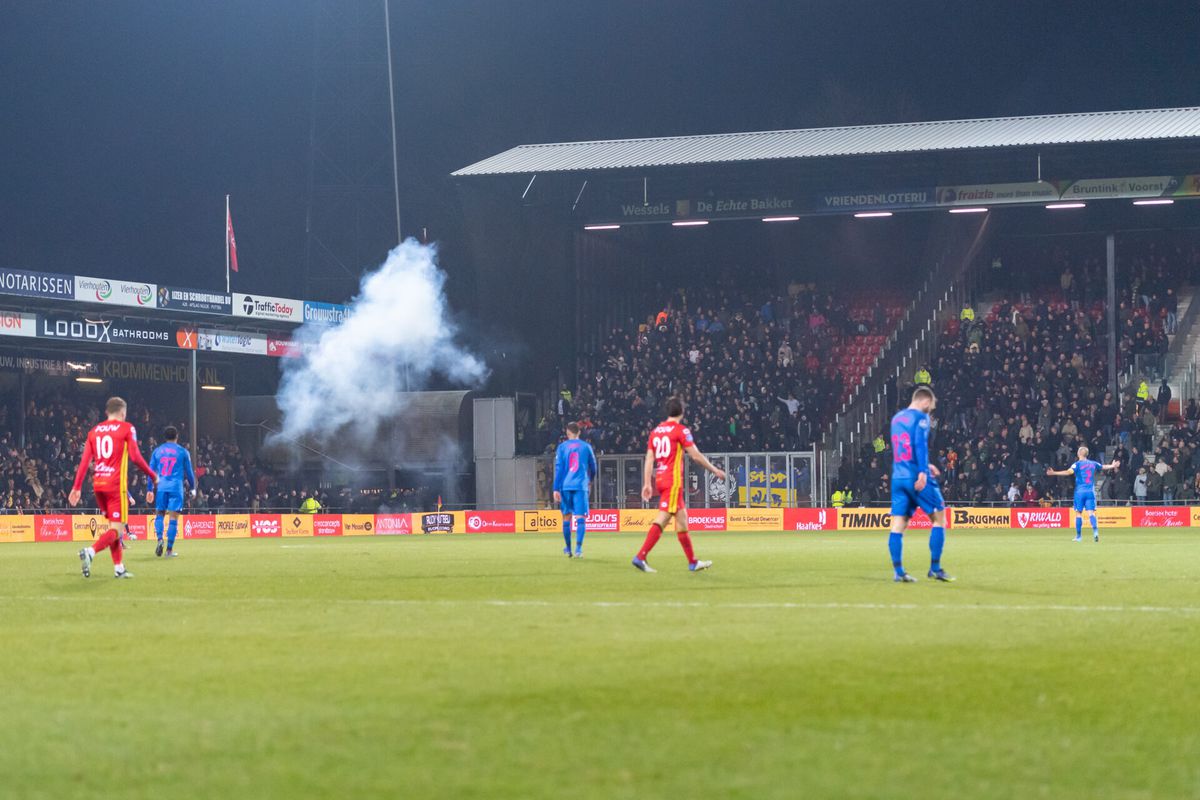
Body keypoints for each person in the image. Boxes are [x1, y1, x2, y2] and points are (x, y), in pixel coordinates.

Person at [632, 396, 726, 573]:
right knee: (664, 518)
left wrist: (647, 483)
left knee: (682, 522)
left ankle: (693, 562)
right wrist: (715, 470)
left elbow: (649, 458)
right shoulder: (680, 431)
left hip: (660, 479)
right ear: (682, 412)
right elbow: (696, 456)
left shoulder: (656, 431)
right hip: (673, 481)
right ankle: (641, 556)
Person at [68, 397, 158, 579]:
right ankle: (90, 551)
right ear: (123, 413)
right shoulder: (127, 428)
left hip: (98, 486)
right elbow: (135, 456)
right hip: (116, 485)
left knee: (113, 528)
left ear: (106, 412)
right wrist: (153, 475)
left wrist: (76, 487)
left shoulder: (94, 432)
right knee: (117, 529)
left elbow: (85, 461)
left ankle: (119, 568)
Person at [888, 386, 952, 582]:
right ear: (925, 401)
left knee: (899, 523)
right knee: (939, 519)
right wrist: (923, 472)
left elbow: (904, 448)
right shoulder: (921, 418)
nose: (930, 411)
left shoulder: (896, 419)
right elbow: (919, 445)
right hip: (916, 477)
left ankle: (899, 572)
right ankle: (935, 568)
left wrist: (926, 464)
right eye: (930, 407)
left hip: (898, 476)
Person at [1046, 446, 1120, 543]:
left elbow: (1068, 472)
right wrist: (1112, 466)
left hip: (1079, 492)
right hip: (1090, 492)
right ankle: (1095, 532)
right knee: (1091, 513)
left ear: (1078, 453)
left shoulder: (1077, 464)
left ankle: (1079, 536)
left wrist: (1054, 472)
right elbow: (1103, 466)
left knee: (1078, 514)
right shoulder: (1093, 463)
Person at [149, 425, 196, 558]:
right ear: (177, 436)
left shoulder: (157, 451)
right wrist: (193, 488)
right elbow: (189, 472)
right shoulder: (182, 452)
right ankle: (169, 550)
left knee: (159, 514)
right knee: (173, 518)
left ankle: (159, 539)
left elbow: (151, 473)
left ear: (164, 437)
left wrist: (149, 489)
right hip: (176, 487)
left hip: (161, 486)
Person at [553, 421, 597, 558]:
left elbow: (559, 469)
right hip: (580, 486)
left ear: (567, 433)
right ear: (579, 432)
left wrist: (556, 488)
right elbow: (594, 467)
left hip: (565, 486)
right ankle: (578, 549)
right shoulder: (586, 447)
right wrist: (590, 480)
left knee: (566, 517)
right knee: (580, 518)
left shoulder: (562, 447)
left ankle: (568, 548)